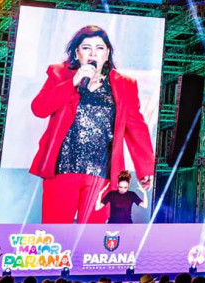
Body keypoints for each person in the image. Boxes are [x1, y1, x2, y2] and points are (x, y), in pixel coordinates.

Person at [30, 25, 155, 223]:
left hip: (102, 172)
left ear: (107, 54)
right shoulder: (59, 74)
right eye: (86, 47)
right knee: (55, 231)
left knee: (91, 236)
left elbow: (136, 126)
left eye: (99, 48)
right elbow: (39, 109)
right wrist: (73, 82)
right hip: (63, 168)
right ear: (77, 53)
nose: (93, 53)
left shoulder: (124, 83)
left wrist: (145, 167)